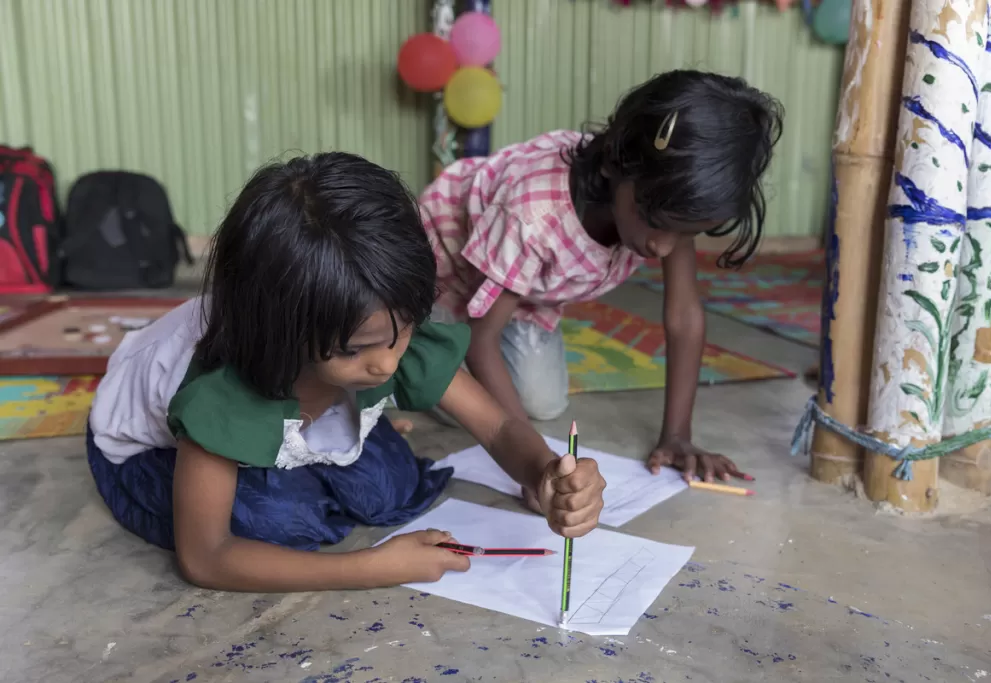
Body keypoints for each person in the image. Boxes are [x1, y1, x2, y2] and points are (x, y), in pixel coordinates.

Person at [86, 153, 606, 592]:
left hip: (303, 398)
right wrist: (373, 568)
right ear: (284, 332)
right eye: (356, 350)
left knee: (391, 489)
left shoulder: (379, 318)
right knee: (281, 523)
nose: (386, 363)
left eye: (402, 331)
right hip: (148, 452)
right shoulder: (227, 387)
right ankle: (287, 469)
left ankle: (308, 449)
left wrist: (545, 474)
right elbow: (204, 557)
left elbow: (495, 426)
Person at [420, 70, 783, 483]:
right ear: (615, 161)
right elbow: (482, 339)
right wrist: (535, 466)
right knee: (444, 382)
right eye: (656, 222)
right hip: (443, 273)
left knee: (542, 403)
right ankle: (420, 354)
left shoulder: (664, 200)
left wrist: (678, 437)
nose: (665, 247)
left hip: (519, 293)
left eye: (687, 232)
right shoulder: (534, 215)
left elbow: (684, 316)